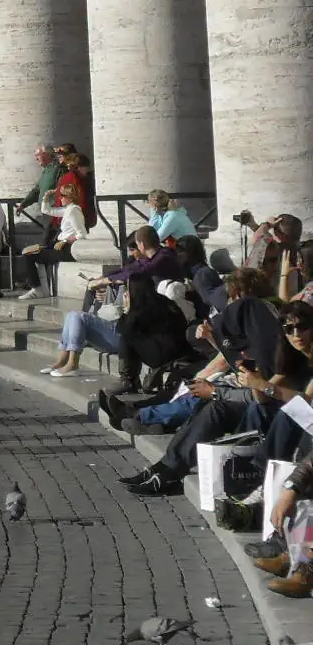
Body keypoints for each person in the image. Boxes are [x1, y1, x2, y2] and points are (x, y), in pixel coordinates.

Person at [125, 282, 312, 498]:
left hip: (296, 424)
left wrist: (260, 386)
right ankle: (166, 469)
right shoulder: (290, 356)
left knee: (246, 407)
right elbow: (262, 395)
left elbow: (305, 403)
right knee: (217, 408)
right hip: (273, 413)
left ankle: (246, 472)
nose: (296, 334)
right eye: (289, 329)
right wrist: (256, 381)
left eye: (303, 327)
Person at [44, 226, 182, 377]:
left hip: (139, 330)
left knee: (78, 317)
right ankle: (62, 360)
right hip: (129, 325)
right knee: (72, 315)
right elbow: (126, 271)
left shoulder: (163, 258)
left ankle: (72, 363)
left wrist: (108, 283)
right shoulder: (145, 262)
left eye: (134, 248)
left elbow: (137, 273)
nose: (132, 255)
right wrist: (102, 280)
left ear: (141, 244)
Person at [21, 177, 89, 297]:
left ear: (70, 197)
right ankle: (41, 288)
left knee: (29, 256)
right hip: (58, 245)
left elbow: (82, 234)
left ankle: (37, 289)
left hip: (66, 248)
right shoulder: (68, 209)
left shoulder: (74, 211)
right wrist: (46, 197)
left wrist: (65, 241)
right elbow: (47, 210)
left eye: (62, 195)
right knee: (28, 252)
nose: (60, 198)